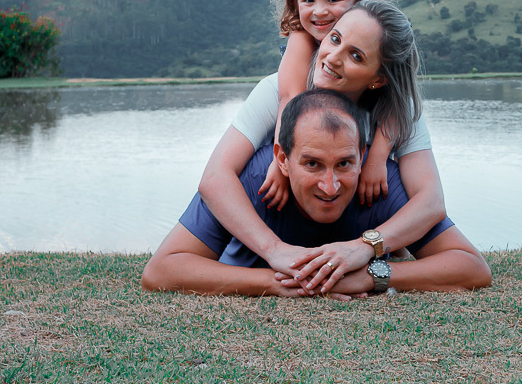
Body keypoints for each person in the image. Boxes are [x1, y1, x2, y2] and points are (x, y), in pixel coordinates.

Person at [198, 0, 448, 294]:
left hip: (351, 230)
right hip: (275, 225)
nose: (332, 58)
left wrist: (365, 247)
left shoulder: (395, 113)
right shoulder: (277, 90)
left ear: (379, 79)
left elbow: (430, 201)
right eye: (334, 39)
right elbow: (215, 178)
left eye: (355, 55)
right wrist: (274, 249)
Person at [141, 89, 491, 298]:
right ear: (283, 158)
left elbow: (471, 267)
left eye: (343, 164)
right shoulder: (251, 180)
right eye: (311, 164)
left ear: (362, 153)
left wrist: (370, 276)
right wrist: (272, 282)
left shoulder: (380, 183)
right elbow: (161, 271)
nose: (330, 186)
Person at [260, 0, 394, 210]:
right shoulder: (301, 38)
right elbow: (291, 98)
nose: (320, 11)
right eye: (308, 0)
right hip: (301, 140)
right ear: (295, 2)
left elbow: (398, 102)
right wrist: (280, 162)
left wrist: (377, 160)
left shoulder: (377, 43)